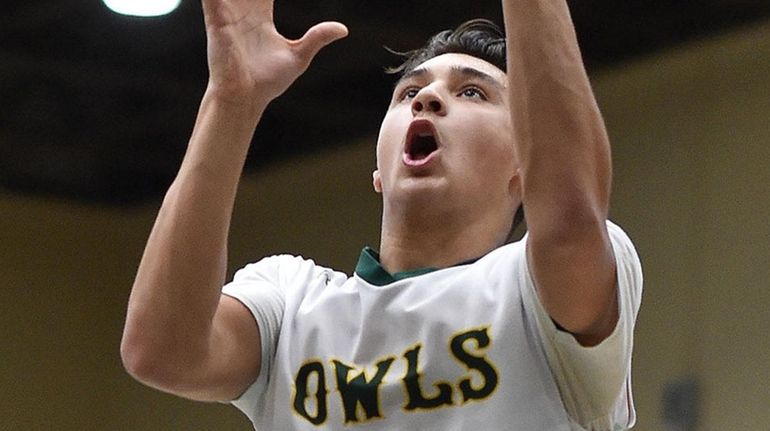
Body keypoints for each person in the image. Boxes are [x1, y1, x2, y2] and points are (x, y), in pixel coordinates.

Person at [121, 0, 643, 429]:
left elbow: (570, 222)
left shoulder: (533, 291)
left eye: (471, 92)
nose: (429, 99)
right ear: (378, 172)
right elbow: (161, 352)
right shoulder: (290, 300)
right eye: (409, 92)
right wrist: (230, 100)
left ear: (525, 165)